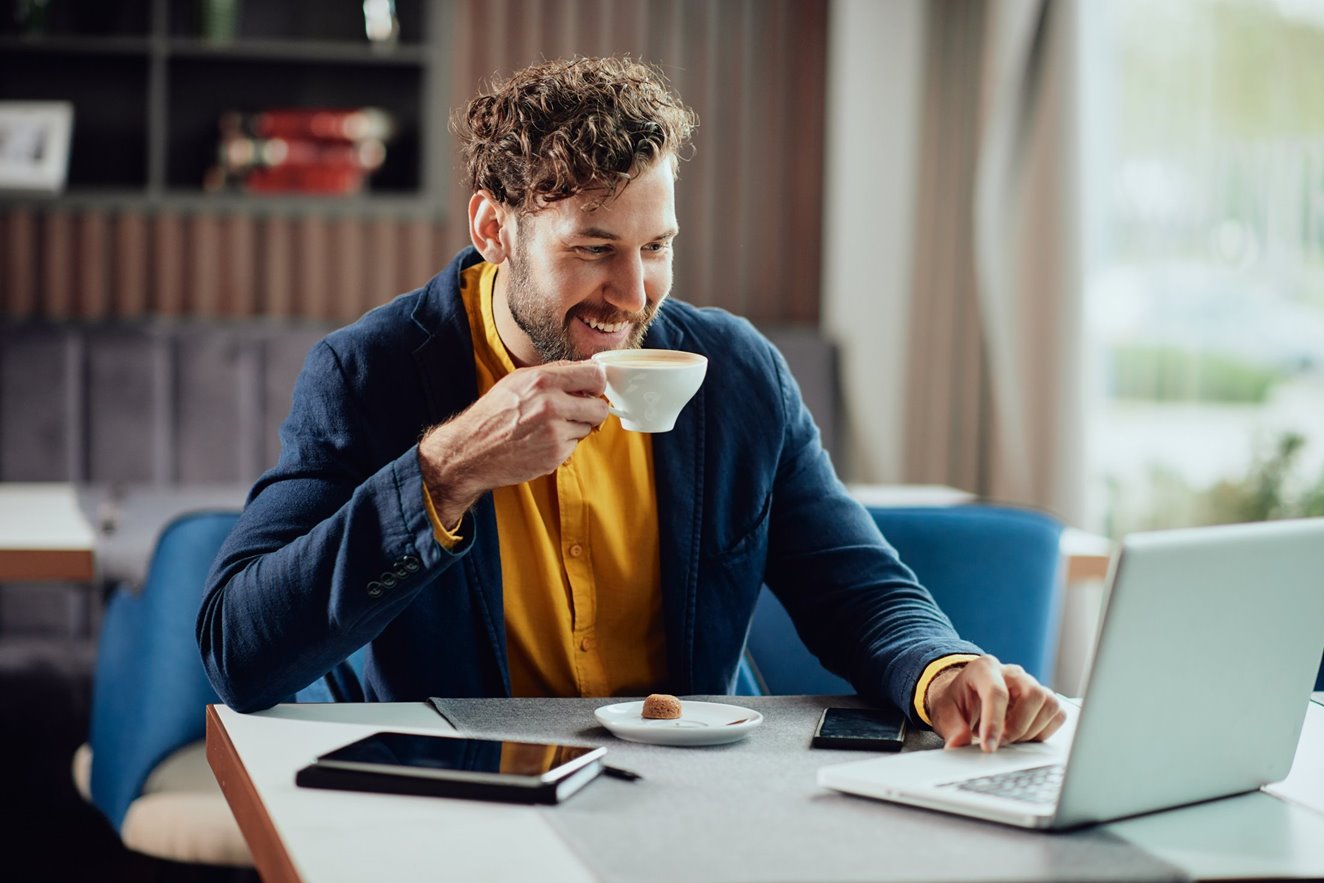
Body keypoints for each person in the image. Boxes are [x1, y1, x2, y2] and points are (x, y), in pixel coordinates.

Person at [197, 56, 1063, 752]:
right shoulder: (370, 373)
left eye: (657, 246)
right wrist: (447, 471)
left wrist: (943, 669)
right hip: (461, 793)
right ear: (494, 230)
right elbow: (239, 648)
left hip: (685, 789)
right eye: (595, 248)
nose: (632, 291)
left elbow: (858, 586)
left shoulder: (736, 373)